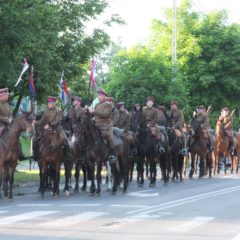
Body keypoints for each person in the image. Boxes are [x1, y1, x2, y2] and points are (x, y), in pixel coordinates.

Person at [89, 89, 116, 162]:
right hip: (96, 125)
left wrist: (95, 111)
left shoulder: (108, 104)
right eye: (98, 95)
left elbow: (105, 114)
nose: (99, 97)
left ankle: (112, 154)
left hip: (106, 125)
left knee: (110, 137)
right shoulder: (97, 104)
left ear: (104, 96)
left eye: (100, 95)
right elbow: (93, 113)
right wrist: (88, 111)